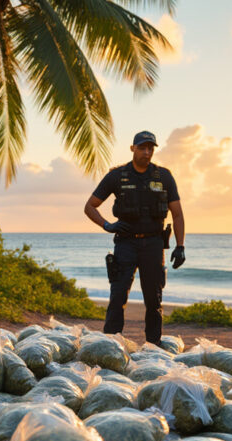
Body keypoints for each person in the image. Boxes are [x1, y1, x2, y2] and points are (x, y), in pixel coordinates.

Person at [84, 130, 186, 345]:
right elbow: (90, 206)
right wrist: (107, 225)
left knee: (153, 300)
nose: (147, 152)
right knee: (118, 297)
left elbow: (177, 214)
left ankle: (153, 346)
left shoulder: (164, 176)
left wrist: (180, 246)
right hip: (125, 244)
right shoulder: (117, 176)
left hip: (154, 245)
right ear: (133, 148)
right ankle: (110, 345)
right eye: (142, 147)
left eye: (151, 148)